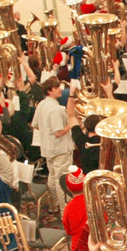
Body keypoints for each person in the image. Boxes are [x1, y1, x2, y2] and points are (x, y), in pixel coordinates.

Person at [34, 77, 76, 207]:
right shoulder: (56, 109)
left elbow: (35, 124)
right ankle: (64, 210)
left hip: (48, 148)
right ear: (50, 91)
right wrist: (71, 124)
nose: (60, 89)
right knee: (61, 181)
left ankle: (54, 205)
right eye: (57, 88)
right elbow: (58, 132)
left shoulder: (41, 104)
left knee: (52, 177)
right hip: (60, 149)